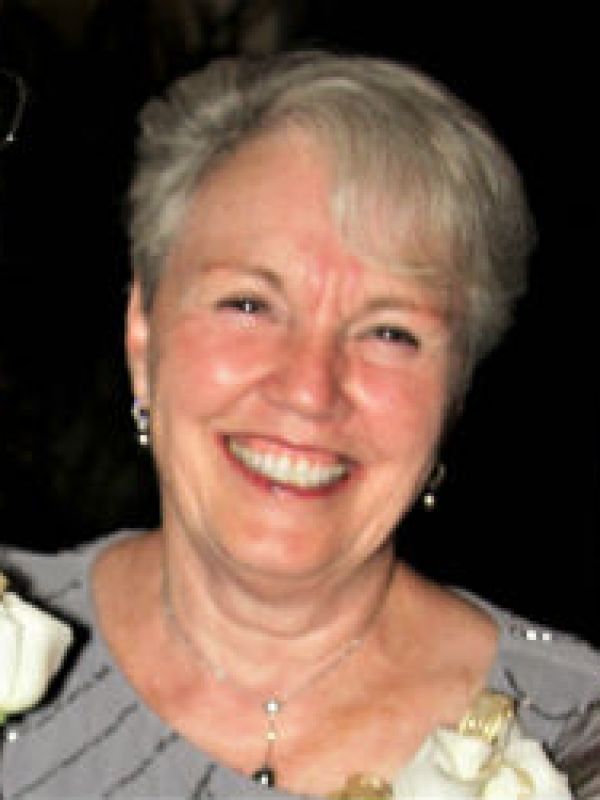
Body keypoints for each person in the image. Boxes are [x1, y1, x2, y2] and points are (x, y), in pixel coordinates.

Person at [1, 51, 598, 799]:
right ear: (143, 335)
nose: (311, 390)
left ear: (454, 391)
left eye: (390, 332)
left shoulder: (578, 737)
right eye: (250, 304)